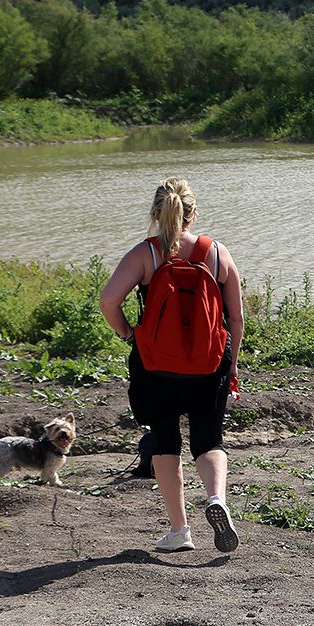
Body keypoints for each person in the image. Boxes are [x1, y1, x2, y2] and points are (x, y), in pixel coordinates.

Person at [100, 178, 244, 553]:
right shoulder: (216, 253)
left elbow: (108, 301)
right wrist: (232, 364)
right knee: (209, 439)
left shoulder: (144, 255)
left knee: (165, 441)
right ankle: (216, 500)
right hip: (210, 363)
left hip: (156, 365)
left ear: (154, 213)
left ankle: (179, 531)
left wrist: (130, 334)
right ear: (193, 213)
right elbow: (237, 318)